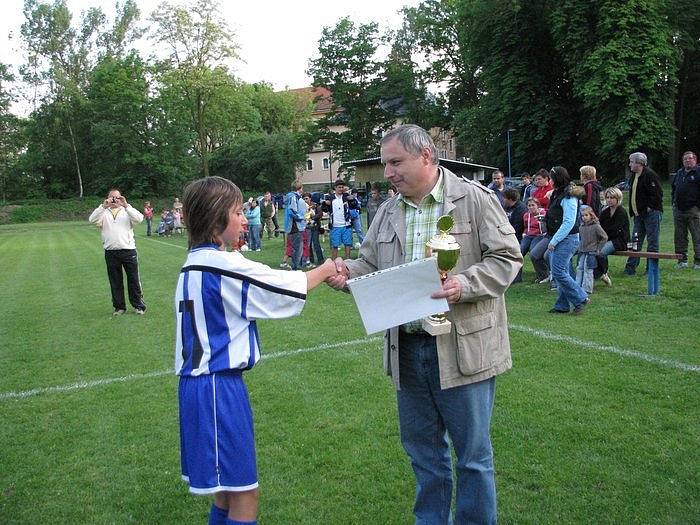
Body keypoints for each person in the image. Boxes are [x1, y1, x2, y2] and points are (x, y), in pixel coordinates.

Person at [326, 124, 522, 524]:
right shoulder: (388, 210)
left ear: (427, 156)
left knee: (473, 458)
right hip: (408, 351)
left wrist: (463, 285)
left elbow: (507, 260)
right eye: (385, 164)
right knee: (424, 457)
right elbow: (370, 266)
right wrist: (348, 275)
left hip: (463, 348)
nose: (388, 173)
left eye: (396, 162)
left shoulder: (474, 199)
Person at [174, 176, 337, 525]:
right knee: (245, 493)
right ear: (218, 220)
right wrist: (326, 269)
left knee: (226, 491)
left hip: (201, 385)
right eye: (236, 212)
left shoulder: (195, 260)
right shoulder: (222, 265)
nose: (243, 219)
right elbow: (282, 287)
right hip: (216, 386)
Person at [88, 189, 147, 316]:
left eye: (117, 197)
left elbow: (140, 218)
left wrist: (126, 205)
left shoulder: (127, 211)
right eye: (112, 197)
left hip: (128, 250)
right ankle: (119, 307)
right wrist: (103, 206)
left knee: (134, 280)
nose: (115, 200)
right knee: (115, 281)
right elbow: (92, 220)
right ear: (107, 198)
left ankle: (138, 306)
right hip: (111, 252)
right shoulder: (103, 212)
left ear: (121, 198)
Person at [546, 166, 589, 314]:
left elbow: (569, 222)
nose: (549, 181)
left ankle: (581, 298)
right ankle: (562, 305)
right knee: (563, 272)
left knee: (558, 272)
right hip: (560, 237)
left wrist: (554, 241)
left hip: (567, 239)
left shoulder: (569, 196)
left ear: (556, 179)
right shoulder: (559, 194)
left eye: (551, 178)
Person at [623, 152, 663, 275]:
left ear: (639, 163)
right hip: (638, 214)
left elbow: (657, 193)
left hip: (650, 214)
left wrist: (650, 207)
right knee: (635, 240)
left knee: (652, 241)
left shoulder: (650, 175)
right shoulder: (634, 175)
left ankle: (651, 269)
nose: (630, 164)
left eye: (631, 162)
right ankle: (630, 268)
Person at [671, 151, 700, 269]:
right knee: (679, 236)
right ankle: (681, 260)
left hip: (693, 209)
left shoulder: (698, 172)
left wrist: (697, 206)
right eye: (685, 159)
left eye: (689, 159)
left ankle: (698, 261)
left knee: (697, 236)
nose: (687, 161)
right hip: (678, 210)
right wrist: (674, 202)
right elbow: (674, 188)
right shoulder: (679, 173)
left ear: (695, 160)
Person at [597, 187, 630, 286]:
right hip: (606, 238)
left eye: (612, 198)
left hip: (619, 240)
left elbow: (615, 230)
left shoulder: (621, 212)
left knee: (601, 252)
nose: (609, 200)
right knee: (592, 250)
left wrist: (604, 236)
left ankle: (604, 272)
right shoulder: (605, 212)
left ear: (617, 199)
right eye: (608, 197)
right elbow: (600, 225)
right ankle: (597, 273)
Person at [321, 179, 359, 259]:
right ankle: (334, 262)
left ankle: (347, 261)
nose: (341, 189)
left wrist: (352, 199)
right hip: (335, 225)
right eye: (339, 187)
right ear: (335, 188)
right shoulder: (330, 198)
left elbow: (355, 205)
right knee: (335, 245)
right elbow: (324, 209)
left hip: (346, 225)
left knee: (347, 244)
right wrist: (325, 203)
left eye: (342, 187)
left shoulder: (346, 196)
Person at [575, 206, 608, 294]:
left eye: (586, 215)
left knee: (588, 269)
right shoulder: (581, 227)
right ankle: (577, 285)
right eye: (582, 216)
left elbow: (604, 237)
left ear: (591, 215)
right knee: (580, 268)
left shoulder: (596, 226)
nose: (584, 217)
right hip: (582, 250)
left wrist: (598, 248)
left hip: (591, 251)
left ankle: (587, 288)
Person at [503, 188, 527, 283]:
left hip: (518, 236)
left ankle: (517, 277)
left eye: (504, 198)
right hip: (508, 234)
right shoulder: (507, 207)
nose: (503, 200)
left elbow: (518, 226)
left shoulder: (521, 208)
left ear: (510, 199)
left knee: (516, 254)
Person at [284, 180, 306, 270]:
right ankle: (296, 267)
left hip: (290, 226)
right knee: (298, 248)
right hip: (295, 226)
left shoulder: (289, 197)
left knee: (295, 247)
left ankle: (296, 266)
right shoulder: (294, 197)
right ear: (300, 188)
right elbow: (292, 211)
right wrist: (301, 217)